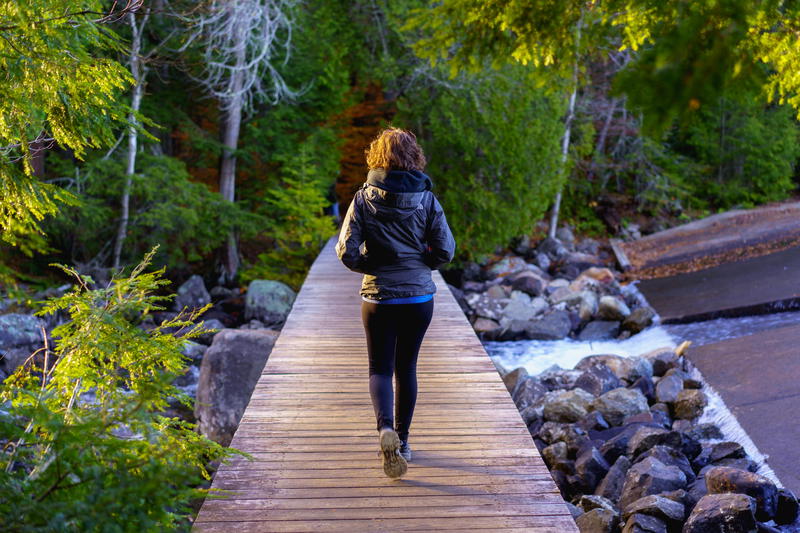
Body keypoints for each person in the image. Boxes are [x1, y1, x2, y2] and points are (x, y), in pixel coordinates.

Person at [336, 127, 456, 478]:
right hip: (419, 297)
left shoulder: (363, 197)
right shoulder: (427, 200)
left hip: (378, 297)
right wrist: (422, 265)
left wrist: (369, 267)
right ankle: (402, 442)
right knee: (407, 369)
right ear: (413, 156)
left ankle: (384, 428)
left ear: (378, 156)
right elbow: (446, 250)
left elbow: (345, 249)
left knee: (379, 369)